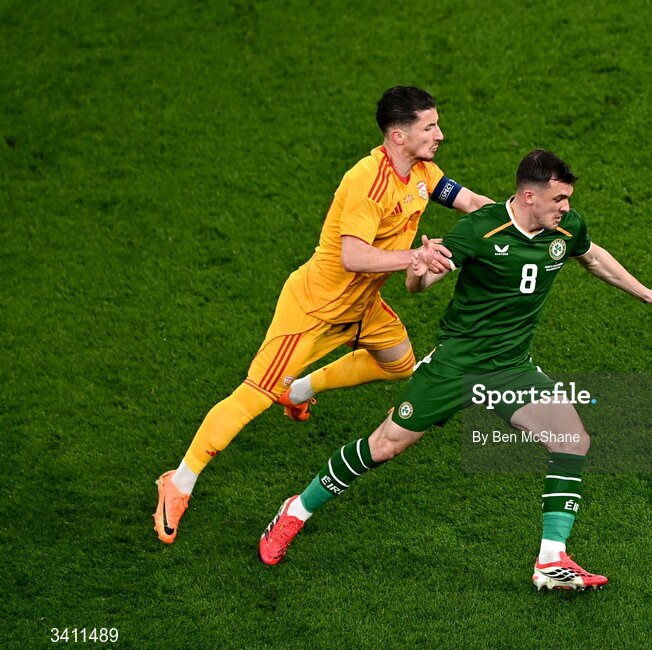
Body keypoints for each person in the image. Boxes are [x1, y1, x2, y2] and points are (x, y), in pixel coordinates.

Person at [257, 149, 652, 590]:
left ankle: (551, 560)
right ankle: (296, 510)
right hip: (456, 365)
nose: (566, 208)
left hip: (511, 369)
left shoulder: (566, 229)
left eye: (567, 199)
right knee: (384, 446)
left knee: (572, 441)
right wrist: (419, 268)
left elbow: (592, 256)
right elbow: (420, 283)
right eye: (558, 199)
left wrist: (645, 292)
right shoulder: (480, 229)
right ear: (528, 195)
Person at [153, 87, 493, 544]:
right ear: (398, 135)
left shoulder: (423, 172)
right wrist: (415, 256)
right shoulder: (365, 182)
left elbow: (471, 202)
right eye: (429, 127)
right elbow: (352, 255)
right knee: (253, 395)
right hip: (315, 309)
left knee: (398, 364)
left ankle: (298, 390)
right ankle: (178, 482)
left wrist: (516, 221)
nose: (440, 134)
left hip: (362, 306)